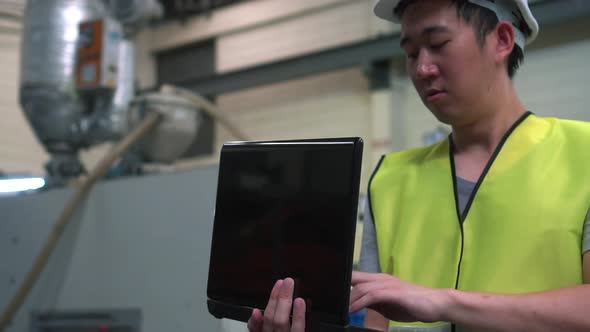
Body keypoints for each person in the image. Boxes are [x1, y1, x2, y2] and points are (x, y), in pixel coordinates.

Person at [247, 0, 590, 331]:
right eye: (411, 53)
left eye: (438, 43)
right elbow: (377, 324)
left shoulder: (582, 152)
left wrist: (443, 302)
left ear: (501, 40)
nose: (422, 68)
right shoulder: (391, 179)